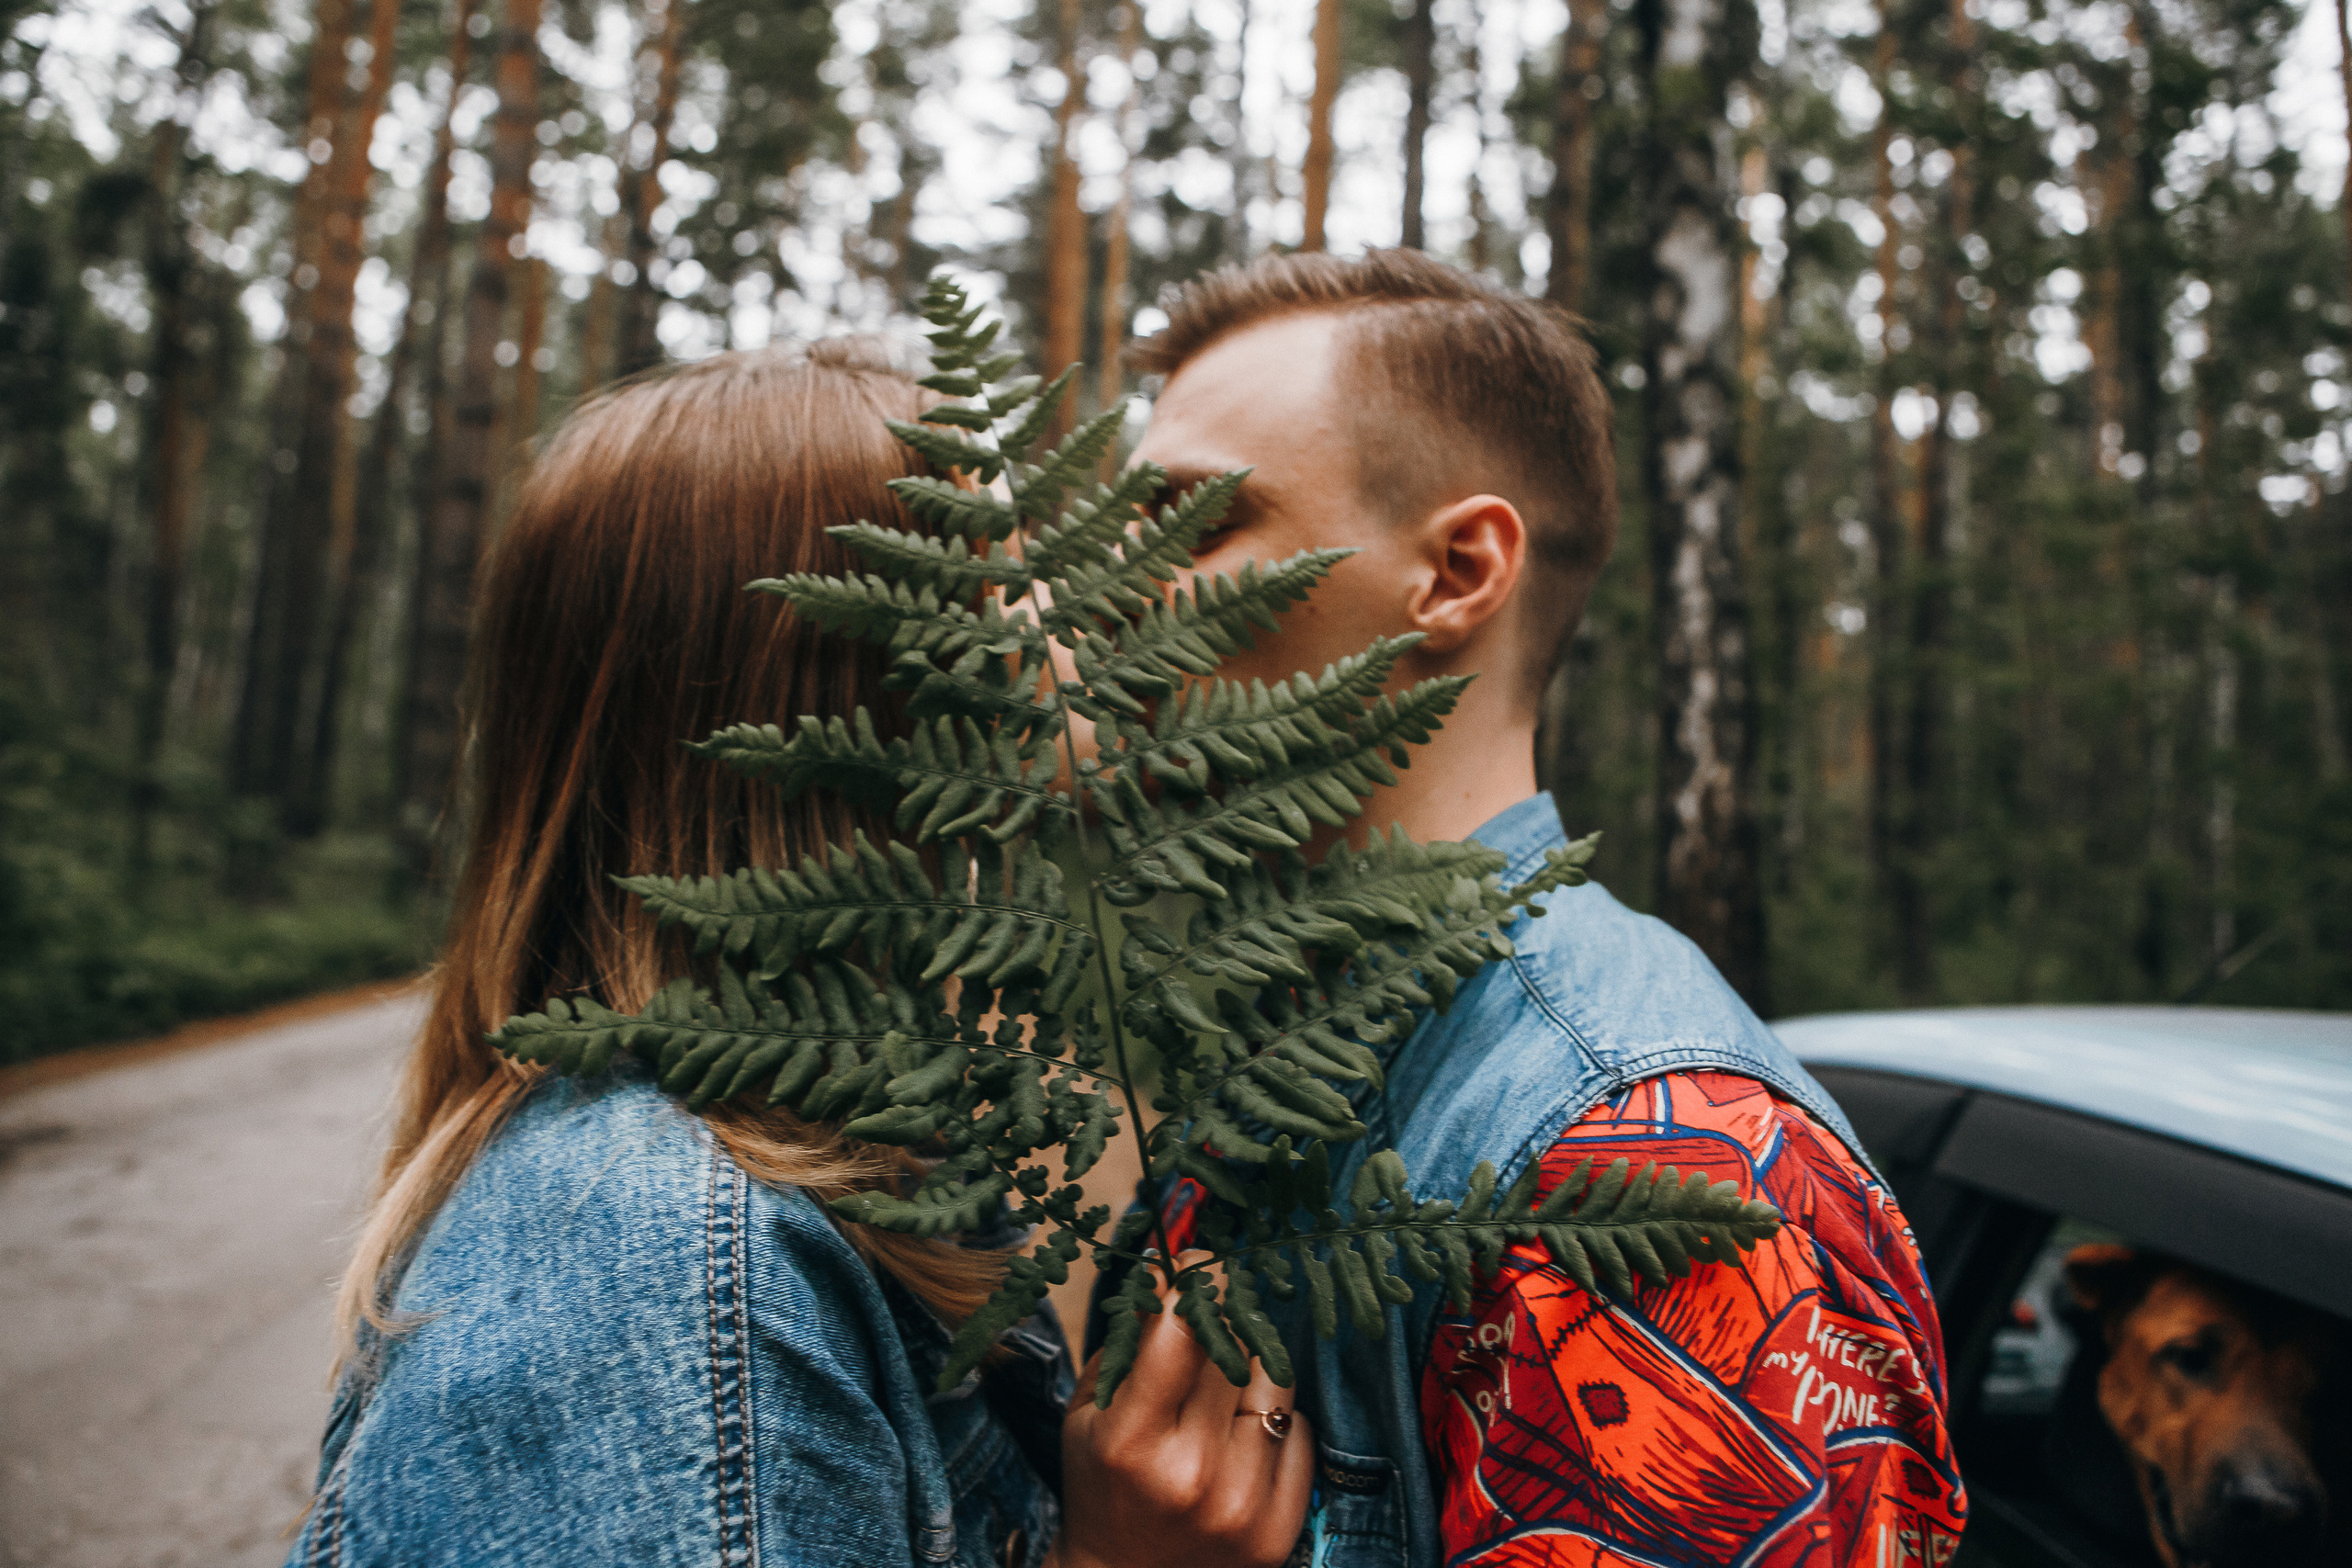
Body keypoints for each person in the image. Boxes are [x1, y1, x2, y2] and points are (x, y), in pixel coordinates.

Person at [293, 341, 1311, 1568]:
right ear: (852, 668)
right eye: (1021, 568)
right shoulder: (659, 1249)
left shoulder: (852, 1156)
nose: (1083, 616)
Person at [1083, 250, 1967, 1567]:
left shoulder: (1656, 1173)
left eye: (1197, 528)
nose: (1114, 600)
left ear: (1456, 572)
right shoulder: (1286, 1059)